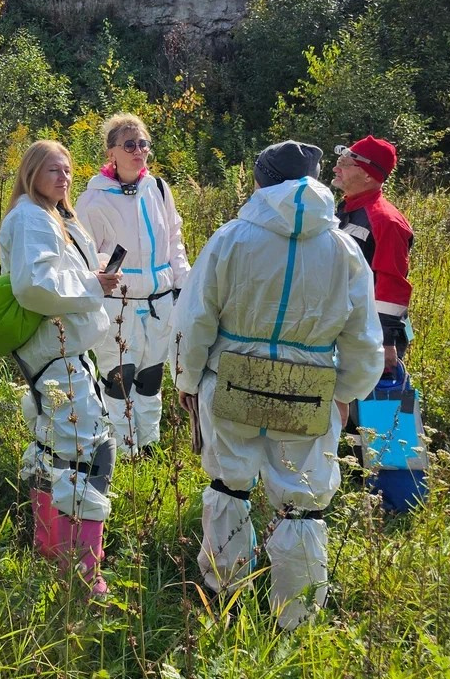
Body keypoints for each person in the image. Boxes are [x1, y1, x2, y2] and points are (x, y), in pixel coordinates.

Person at [174, 141, 383, 629]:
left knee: (229, 484)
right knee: (301, 504)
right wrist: (346, 393)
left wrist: (185, 377)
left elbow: (195, 319)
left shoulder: (231, 239)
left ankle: (224, 597)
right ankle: (298, 616)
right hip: (310, 385)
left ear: (261, 180)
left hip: (234, 377)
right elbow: (364, 337)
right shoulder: (344, 248)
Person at [1, 140, 120, 595]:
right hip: (54, 350)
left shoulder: (56, 216)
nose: (64, 178)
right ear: (32, 172)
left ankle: (51, 547)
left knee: (56, 447)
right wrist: (94, 283)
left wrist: (97, 274)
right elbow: (34, 285)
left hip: (66, 351)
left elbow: (60, 273)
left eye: (68, 170)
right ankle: (83, 571)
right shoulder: (31, 216)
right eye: (53, 170)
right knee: (84, 452)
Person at [75, 113, 190, 458]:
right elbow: (83, 251)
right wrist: (100, 276)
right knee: (119, 378)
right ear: (111, 152)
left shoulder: (157, 188)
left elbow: (174, 237)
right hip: (118, 303)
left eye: (143, 144)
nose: (138, 151)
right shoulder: (94, 198)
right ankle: (124, 449)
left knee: (152, 378)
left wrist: (183, 282)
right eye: (129, 145)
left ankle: (149, 444)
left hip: (160, 300)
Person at [331, 136, 413, 376]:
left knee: (363, 407)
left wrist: (386, 342)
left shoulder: (386, 221)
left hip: (372, 336)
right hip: (347, 326)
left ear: (368, 174)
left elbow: (392, 284)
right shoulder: (347, 208)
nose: (336, 168)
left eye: (345, 163)